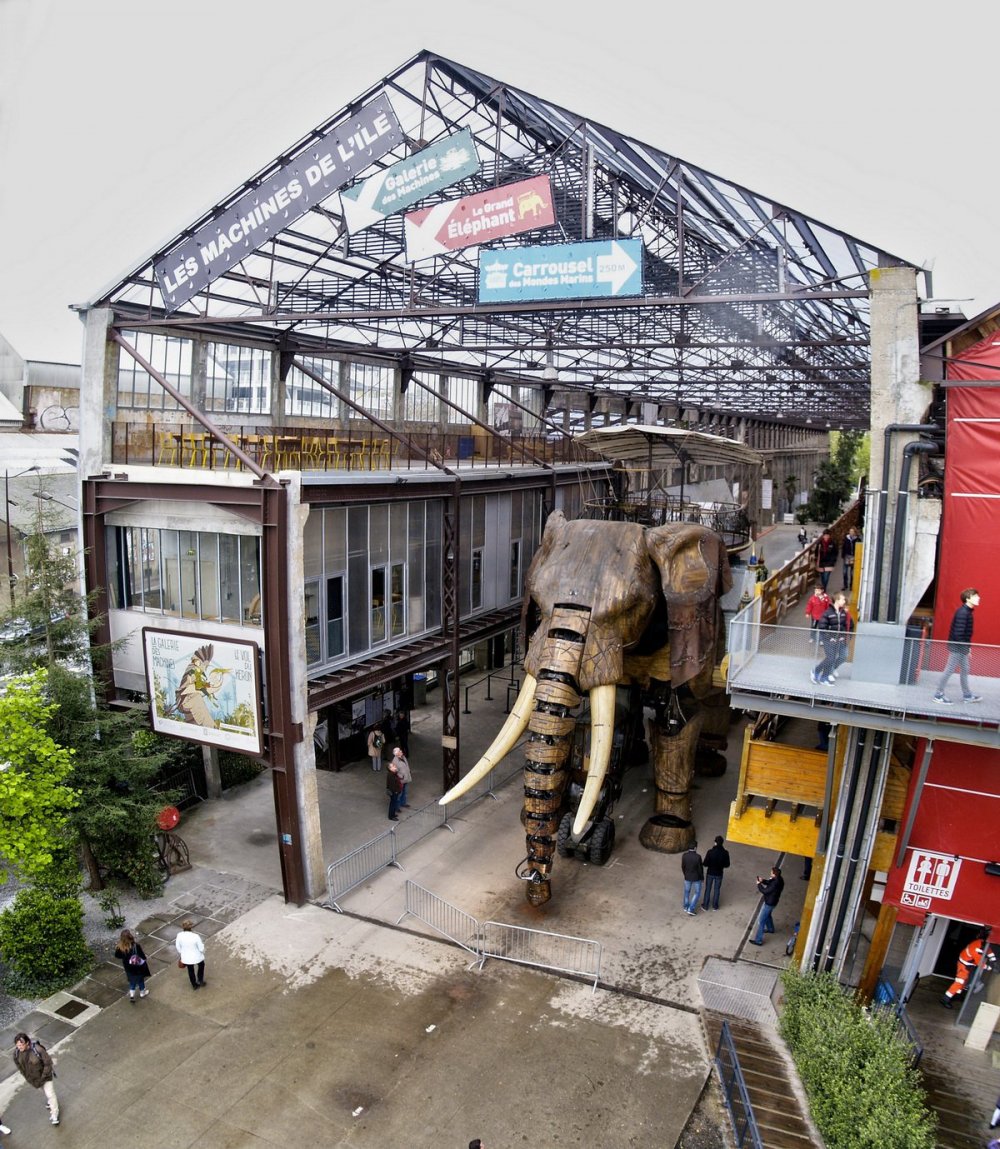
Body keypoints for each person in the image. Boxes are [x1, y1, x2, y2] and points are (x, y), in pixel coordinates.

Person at [934, 588, 982, 705]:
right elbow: (958, 634)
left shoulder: (967, 612)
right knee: (949, 669)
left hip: (961, 646)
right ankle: (938, 694)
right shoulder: (963, 613)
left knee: (965, 669)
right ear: (968, 599)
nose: (979, 598)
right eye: (975, 596)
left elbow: (965, 633)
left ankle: (967, 695)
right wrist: (966, 649)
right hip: (958, 646)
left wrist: (968, 647)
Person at [13, 1032, 59, 1125]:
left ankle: (55, 1114)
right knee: (46, 1093)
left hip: (45, 1077)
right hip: (34, 1080)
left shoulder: (38, 1050)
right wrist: (26, 1076)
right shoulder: (16, 1053)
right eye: (17, 1045)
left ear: (27, 1043)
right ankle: (50, 1102)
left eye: (21, 1045)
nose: (19, 1047)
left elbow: (48, 1063)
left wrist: (43, 1077)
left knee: (50, 1094)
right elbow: (19, 1066)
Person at [942, 929, 995, 1008]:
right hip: (964, 965)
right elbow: (979, 962)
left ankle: (958, 995)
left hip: (969, 965)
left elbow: (988, 951)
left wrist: (993, 959)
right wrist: (989, 968)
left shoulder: (982, 944)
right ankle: (945, 999)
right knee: (960, 982)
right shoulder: (977, 947)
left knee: (965, 981)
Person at [812, 592, 852, 686]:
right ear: (837, 600)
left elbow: (842, 626)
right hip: (828, 640)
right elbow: (822, 627)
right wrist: (829, 637)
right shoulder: (828, 613)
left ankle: (822, 677)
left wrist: (842, 636)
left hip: (838, 639)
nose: (844, 601)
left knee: (832, 658)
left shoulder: (842, 613)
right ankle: (817, 672)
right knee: (830, 658)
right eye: (842, 599)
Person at [749, 865, 784, 945]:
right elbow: (769, 882)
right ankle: (770, 929)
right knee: (768, 915)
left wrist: (758, 884)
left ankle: (758, 940)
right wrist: (763, 881)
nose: (770, 873)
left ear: (774, 874)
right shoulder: (779, 879)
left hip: (769, 902)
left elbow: (765, 891)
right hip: (774, 901)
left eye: (771, 872)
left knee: (761, 920)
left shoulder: (775, 883)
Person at [114, 927, 151, 1003]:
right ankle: (142, 993)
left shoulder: (120, 947)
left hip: (128, 967)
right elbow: (142, 955)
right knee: (140, 980)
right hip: (137, 966)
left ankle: (132, 995)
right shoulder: (136, 945)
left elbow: (117, 956)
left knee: (132, 981)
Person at [175, 918, 206, 990]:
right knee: (201, 965)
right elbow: (201, 949)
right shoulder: (195, 936)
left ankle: (194, 985)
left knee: (190, 970)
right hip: (197, 957)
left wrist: (182, 953)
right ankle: (200, 980)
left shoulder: (179, 935)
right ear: (191, 927)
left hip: (186, 958)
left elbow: (178, 947)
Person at [701, 835, 731, 910]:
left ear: (715, 843)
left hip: (710, 873)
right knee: (717, 889)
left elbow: (705, 863)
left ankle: (705, 905)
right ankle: (715, 906)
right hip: (719, 874)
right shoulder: (725, 853)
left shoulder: (710, 852)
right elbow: (727, 865)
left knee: (708, 889)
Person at [680, 841, 703, 916]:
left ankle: (686, 907)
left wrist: (685, 874)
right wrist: (702, 877)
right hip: (696, 877)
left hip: (687, 876)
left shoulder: (684, 855)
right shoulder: (698, 857)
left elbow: (683, 866)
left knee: (687, 892)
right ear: (695, 848)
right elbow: (700, 869)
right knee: (697, 892)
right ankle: (691, 908)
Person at [840, 526, 859, 591]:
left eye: (852, 532)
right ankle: (845, 585)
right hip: (847, 556)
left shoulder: (857, 539)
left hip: (853, 557)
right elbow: (843, 547)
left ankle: (851, 585)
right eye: (850, 531)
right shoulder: (846, 538)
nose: (851, 533)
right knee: (844, 572)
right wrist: (843, 555)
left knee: (852, 573)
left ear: (855, 532)